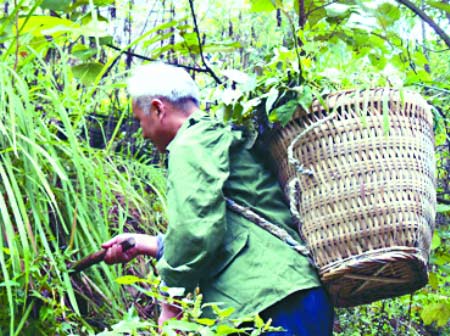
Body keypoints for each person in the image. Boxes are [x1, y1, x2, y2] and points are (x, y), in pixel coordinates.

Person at [102, 63, 334, 335]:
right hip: (299, 295)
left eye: (140, 120)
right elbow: (229, 227)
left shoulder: (190, 143)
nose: (142, 132)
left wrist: (171, 301)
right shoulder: (218, 136)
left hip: (267, 303)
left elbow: (195, 232)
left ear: (157, 108)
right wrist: (147, 244)